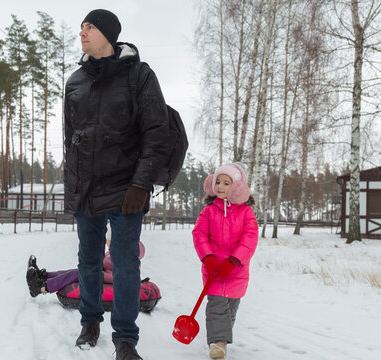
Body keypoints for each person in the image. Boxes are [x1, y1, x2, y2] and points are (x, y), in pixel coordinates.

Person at [62, 8, 169, 359]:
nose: (82, 33)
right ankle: (90, 322)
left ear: (108, 33)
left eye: (89, 27)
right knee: (88, 261)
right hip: (87, 190)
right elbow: (70, 140)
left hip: (126, 188)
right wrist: (73, 190)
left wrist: (142, 185)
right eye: (80, 27)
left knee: (125, 265)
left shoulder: (139, 75)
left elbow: (156, 133)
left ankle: (125, 339)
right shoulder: (75, 81)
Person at [192, 163, 259, 360]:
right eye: (218, 182)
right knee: (216, 305)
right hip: (213, 269)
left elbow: (250, 239)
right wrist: (208, 257)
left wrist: (234, 260)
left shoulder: (246, 213)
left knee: (230, 308)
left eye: (227, 183)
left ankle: (221, 336)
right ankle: (218, 343)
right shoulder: (209, 212)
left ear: (238, 187)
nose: (220, 187)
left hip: (236, 270)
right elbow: (199, 234)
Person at [25, 240, 145, 297]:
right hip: (99, 272)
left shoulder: (132, 264)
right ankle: (43, 276)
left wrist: (101, 274)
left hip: (102, 277)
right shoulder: (114, 253)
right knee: (72, 272)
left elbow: (119, 277)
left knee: (76, 274)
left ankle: (41, 288)